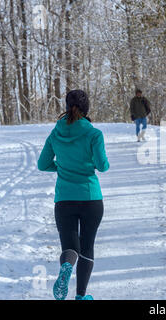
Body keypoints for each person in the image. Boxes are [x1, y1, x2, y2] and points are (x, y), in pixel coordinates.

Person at [38, 89, 110, 300]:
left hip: (64, 200)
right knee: (87, 246)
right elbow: (102, 166)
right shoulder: (93, 134)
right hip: (90, 198)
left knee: (70, 246)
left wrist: (62, 167)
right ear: (87, 108)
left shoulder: (55, 133)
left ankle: (67, 265)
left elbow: (42, 164)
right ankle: (81, 296)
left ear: (66, 107)